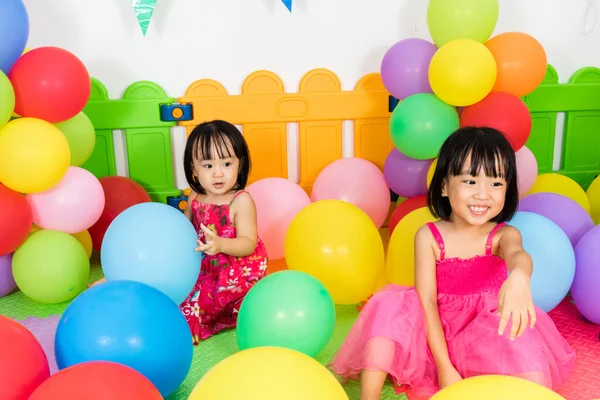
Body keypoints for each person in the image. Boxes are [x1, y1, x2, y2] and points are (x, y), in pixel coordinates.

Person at [328, 127, 575, 399]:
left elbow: (518, 255)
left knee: (524, 352)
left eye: (496, 183)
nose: (483, 194)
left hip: (481, 329)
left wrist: (519, 277)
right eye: (470, 181)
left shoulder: (503, 234)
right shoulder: (429, 236)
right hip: (432, 327)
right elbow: (427, 302)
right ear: (445, 185)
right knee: (388, 307)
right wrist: (444, 367)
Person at [179, 120, 268, 344]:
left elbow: (247, 243)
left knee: (196, 306)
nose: (218, 174)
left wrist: (220, 245)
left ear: (240, 164)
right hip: (202, 263)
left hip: (233, 267)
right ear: (194, 170)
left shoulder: (241, 200)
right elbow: (183, 229)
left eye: (227, 164)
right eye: (208, 166)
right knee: (173, 292)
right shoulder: (195, 196)